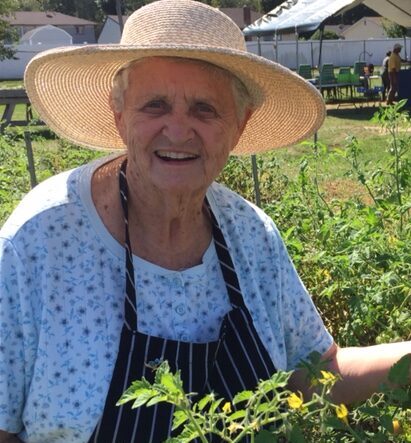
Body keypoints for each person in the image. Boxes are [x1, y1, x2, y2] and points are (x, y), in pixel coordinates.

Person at [0, 1, 410, 442]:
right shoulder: (40, 241)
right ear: (119, 115)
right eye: (155, 105)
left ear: (240, 124)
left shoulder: (251, 235)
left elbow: (315, 371)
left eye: (205, 109)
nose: (178, 131)